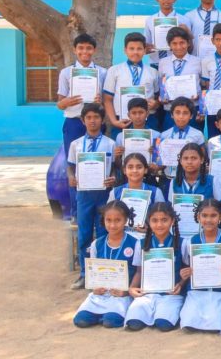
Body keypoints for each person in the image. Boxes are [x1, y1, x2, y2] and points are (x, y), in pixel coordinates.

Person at [67, 103, 116, 289]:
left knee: (104, 234)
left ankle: (103, 275)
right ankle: (84, 275)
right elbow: (70, 167)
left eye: (96, 117)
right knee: (84, 235)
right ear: (82, 120)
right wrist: (71, 178)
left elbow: (115, 168)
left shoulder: (110, 144)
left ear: (102, 120)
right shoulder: (76, 144)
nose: (92, 121)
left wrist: (113, 178)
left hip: (103, 195)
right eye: (88, 117)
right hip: (84, 195)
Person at [179, 198, 221, 332]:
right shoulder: (190, 241)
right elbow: (186, 266)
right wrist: (184, 274)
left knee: (216, 324)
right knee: (188, 323)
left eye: (213, 215)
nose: (208, 220)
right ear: (198, 217)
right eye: (204, 215)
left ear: (220, 217)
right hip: (198, 291)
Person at [73, 200, 138, 329]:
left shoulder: (135, 243)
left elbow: (139, 271)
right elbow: (93, 272)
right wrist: (94, 288)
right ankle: (99, 314)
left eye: (117, 220)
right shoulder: (96, 244)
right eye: (108, 220)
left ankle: (108, 316)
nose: (112, 225)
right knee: (80, 320)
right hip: (100, 294)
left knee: (111, 321)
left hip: (122, 295)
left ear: (125, 220)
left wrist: (128, 291)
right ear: (103, 220)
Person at [126, 202, 186, 331]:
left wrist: (180, 285)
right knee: (134, 324)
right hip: (147, 294)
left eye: (164, 220)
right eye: (154, 220)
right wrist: (131, 288)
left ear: (172, 221)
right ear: (148, 222)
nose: (159, 224)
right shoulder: (141, 243)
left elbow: (187, 272)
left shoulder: (182, 243)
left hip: (171, 295)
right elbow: (139, 271)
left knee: (163, 325)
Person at [57, 33, 108, 156]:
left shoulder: (103, 72)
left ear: (94, 50)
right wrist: (66, 102)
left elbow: (107, 101)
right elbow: (59, 104)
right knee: (73, 159)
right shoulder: (66, 73)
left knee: (97, 158)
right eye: (80, 48)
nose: (85, 51)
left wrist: (100, 102)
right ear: (74, 50)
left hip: (96, 121)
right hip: (74, 122)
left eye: (89, 48)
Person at [103, 32, 161, 135]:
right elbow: (107, 99)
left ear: (145, 50)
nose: (135, 52)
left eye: (139, 49)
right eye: (131, 48)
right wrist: (114, 121)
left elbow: (158, 98)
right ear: (125, 50)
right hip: (122, 121)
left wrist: (156, 104)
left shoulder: (153, 72)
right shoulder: (114, 70)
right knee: (120, 145)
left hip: (148, 121)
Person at [157, 26, 202, 131]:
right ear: (169, 45)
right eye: (174, 43)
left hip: (192, 110)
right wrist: (162, 98)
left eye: (182, 43)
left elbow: (204, 86)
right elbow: (162, 86)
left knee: (192, 138)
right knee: (170, 138)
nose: (179, 47)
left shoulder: (198, 62)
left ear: (188, 43)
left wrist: (199, 97)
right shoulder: (163, 63)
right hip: (170, 110)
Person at [158, 97, 206, 190]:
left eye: (185, 113)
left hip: (190, 178)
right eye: (177, 112)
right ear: (172, 115)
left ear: (191, 116)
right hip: (169, 176)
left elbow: (202, 156)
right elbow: (160, 159)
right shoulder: (164, 135)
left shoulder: (197, 134)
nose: (181, 116)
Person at [107, 153, 165, 230]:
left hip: (147, 235)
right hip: (121, 234)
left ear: (145, 170)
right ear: (124, 170)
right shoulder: (115, 192)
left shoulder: (156, 192)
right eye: (130, 167)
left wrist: (150, 229)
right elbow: (108, 216)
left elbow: (163, 218)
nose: (134, 170)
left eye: (139, 167)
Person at [143, 0, 189, 69]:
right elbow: (145, 47)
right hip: (155, 64)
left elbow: (190, 47)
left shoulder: (184, 20)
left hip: (177, 64)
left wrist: (186, 34)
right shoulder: (150, 20)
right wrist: (148, 48)